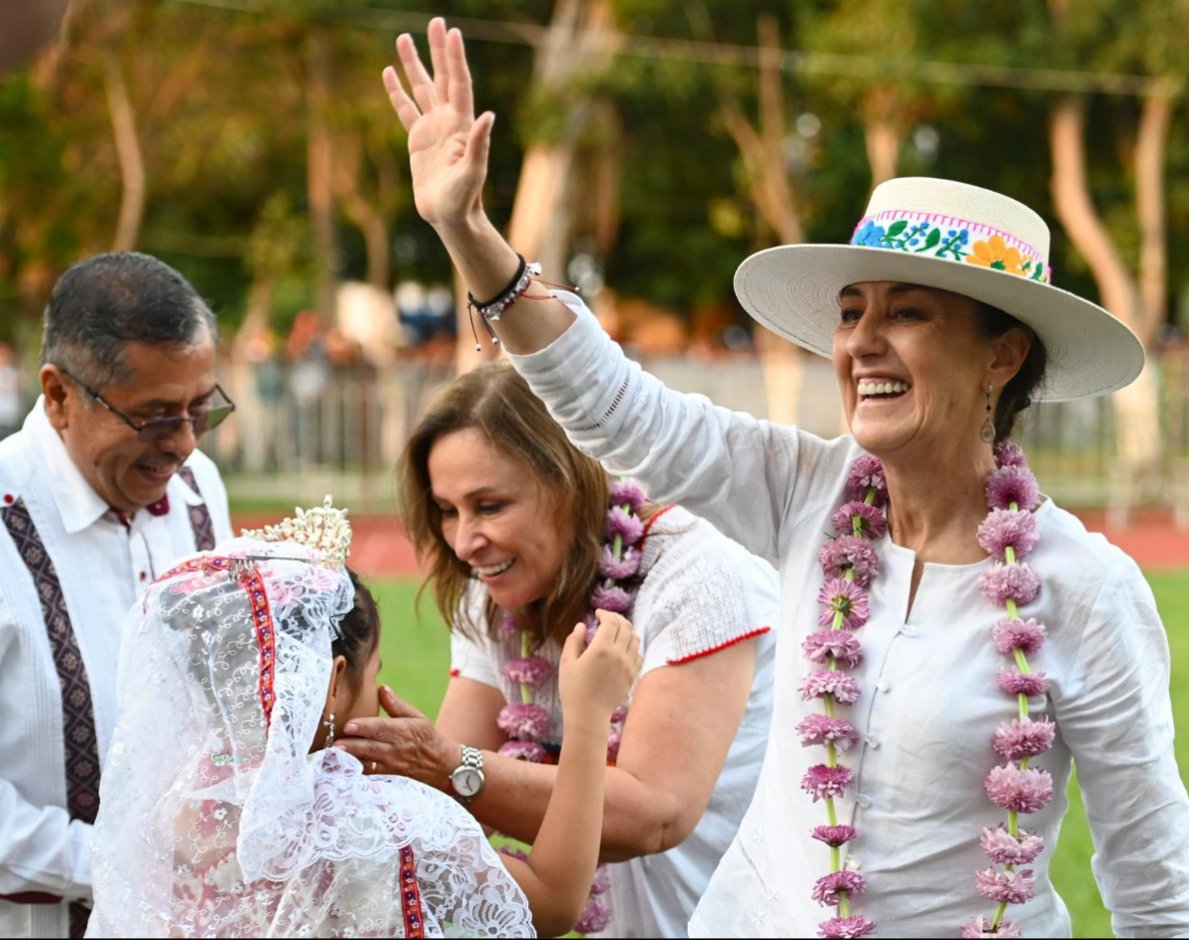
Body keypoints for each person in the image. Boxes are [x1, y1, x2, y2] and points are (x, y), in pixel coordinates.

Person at [377, 19, 1189, 938]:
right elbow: (617, 408)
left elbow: (1151, 879)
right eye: (853, 312)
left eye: (910, 312)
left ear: (1002, 355)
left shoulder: (1086, 591)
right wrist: (467, 231)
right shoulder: (804, 493)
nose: (861, 341)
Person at [336, 361, 779, 938]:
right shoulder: (488, 594)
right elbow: (447, 795)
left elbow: (654, 815)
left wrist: (448, 766)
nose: (465, 542)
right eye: (447, 510)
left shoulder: (700, 574)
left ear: (568, 480)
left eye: (489, 505)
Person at [85, 501, 644, 938]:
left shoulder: (179, 808)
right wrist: (590, 717)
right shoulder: (381, 819)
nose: (380, 689)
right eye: (375, 669)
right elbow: (552, 899)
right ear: (330, 683)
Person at [0, 251, 236, 939]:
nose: (185, 444)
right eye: (155, 416)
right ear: (58, 395)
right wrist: (123, 867)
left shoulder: (200, 492)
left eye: (201, 410)